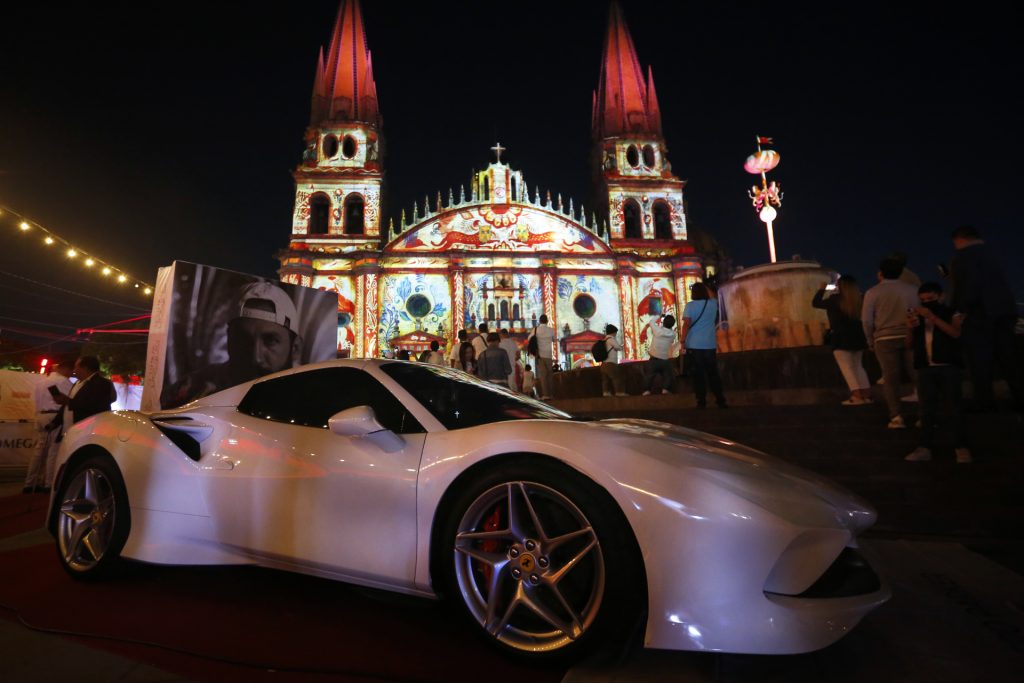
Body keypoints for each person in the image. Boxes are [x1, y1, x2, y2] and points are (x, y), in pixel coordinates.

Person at [163, 281, 301, 406]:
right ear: (229, 339)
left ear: (295, 349)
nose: (255, 357)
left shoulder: (310, 396)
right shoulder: (195, 387)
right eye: (243, 340)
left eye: (270, 341)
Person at [948, 225, 1022, 412]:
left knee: (980, 361)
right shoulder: (992, 254)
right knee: (1009, 359)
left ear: (960, 240)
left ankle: (985, 403)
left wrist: (958, 308)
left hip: (979, 313)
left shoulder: (962, 257)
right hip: (1005, 312)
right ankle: (1020, 398)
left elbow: (968, 285)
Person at [905, 282, 972, 463]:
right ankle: (924, 447)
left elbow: (956, 333)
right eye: (923, 300)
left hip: (948, 365)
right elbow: (909, 344)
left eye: (931, 299)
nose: (926, 303)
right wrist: (910, 327)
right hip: (925, 367)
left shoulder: (951, 312)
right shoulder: (918, 315)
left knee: (954, 407)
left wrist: (933, 318)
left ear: (940, 296)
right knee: (926, 409)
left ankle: (961, 447)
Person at [862, 257, 920, 428]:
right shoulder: (912, 290)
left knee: (890, 379)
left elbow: (866, 320)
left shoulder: (873, 292)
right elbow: (916, 313)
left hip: (884, 338)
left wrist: (869, 339)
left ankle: (896, 416)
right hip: (910, 335)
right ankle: (924, 415)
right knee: (917, 376)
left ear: (880, 273)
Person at [813, 275, 872, 404]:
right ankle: (866, 395)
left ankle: (856, 397)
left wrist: (822, 289)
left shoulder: (834, 300)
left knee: (847, 368)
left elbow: (816, 303)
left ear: (840, 287)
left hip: (841, 338)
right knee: (858, 367)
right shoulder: (859, 300)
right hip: (858, 337)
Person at [23, 359, 74, 493]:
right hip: (54, 416)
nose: (71, 373)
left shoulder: (40, 382)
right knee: (53, 451)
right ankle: (48, 483)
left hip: (40, 415)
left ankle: (30, 483)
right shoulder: (63, 381)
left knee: (39, 451)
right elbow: (71, 401)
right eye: (71, 371)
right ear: (66, 369)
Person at [680, 283, 727, 407]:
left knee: (698, 374)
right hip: (709, 344)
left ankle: (701, 401)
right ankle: (720, 399)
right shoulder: (712, 304)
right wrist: (705, 288)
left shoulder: (690, 306)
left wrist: (682, 341)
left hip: (694, 345)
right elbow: (713, 295)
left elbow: (686, 325)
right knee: (713, 373)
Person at [52, 356, 117, 431]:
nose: (74, 370)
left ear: (85, 369)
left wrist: (68, 401)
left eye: (76, 367)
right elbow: (66, 407)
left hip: (86, 431)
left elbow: (94, 406)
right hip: (69, 429)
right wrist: (55, 422)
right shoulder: (78, 382)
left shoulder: (101, 383)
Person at [641, 314, 677, 396]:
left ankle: (646, 391)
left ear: (663, 322)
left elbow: (651, 322)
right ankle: (665, 389)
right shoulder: (673, 334)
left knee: (649, 376)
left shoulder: (657, 330)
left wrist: (659, 316)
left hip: (653, 359)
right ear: (672, 324)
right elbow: (671, 342)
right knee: (668, 375)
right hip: (664, 360)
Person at [527, 314, 556, 399]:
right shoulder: (551, 330)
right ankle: (551, 394)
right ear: (547, 321)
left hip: (540, 355)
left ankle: (545, 395)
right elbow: (554, 340)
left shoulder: (536, 330)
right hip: (549, 355)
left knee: (543, 375)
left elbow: (529, 338)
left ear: (539, 321)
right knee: (550, 375)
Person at [600, 324, 627, 397]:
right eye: (615, 332)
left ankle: (606, 393)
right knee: (616, 378)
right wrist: (621, 347)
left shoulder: (604, 340)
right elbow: (618, 347)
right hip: (611, 363)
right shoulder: (611, 339)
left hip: (603, 364)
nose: (616, 334)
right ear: (613, 332)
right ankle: (619, 392)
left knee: (605, 380)